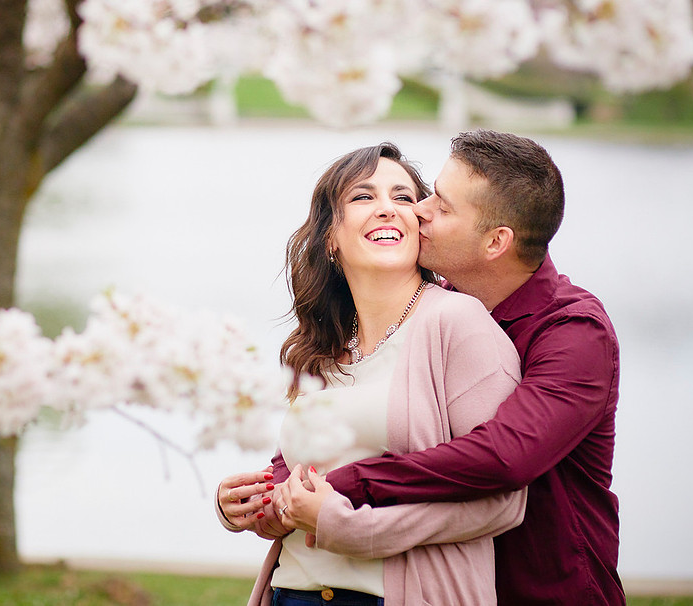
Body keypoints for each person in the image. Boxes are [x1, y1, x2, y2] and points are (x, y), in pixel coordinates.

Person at [255, 131, 624, 605]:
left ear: (495, 242)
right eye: (427, 193)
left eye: (442, 206)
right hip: (436, 572)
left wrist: (350, 483)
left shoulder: (573, 332)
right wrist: (271, 489)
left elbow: (505, 456)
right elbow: (356, 414)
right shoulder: (419, 311)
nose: (419, 210)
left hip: (544, 584)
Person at [217, 143, 527, 606]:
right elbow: (303, 489)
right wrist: (255, 504)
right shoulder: (320, 350)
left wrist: (348, 528)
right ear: (330, 238)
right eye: (363, 197)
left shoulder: (458, 324)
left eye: (403, 198)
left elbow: (503, 501)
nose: (387, 208)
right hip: (292, 592)